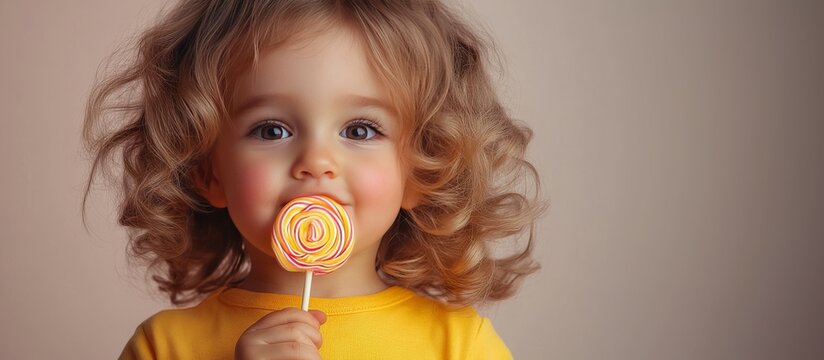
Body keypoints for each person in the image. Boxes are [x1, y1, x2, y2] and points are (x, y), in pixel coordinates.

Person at [83, 0, 544, 359]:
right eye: (271, 130)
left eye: (360, 130)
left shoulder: (459, 346)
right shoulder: (166, 347)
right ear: (206, 171)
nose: (316, 160)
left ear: (422, 169)